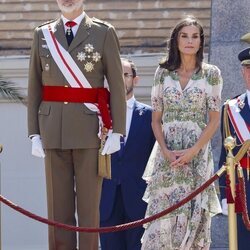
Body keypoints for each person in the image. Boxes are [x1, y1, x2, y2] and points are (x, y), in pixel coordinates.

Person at [27, 0, 126, 249]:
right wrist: (33, 134)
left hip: (89, 131)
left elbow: (116, 85)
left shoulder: (103, 32)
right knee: (57, 211)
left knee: (89, 209)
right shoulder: (43, 34)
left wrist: (118, 130)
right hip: (52, 131)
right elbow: (34, 87)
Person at [141, 16, 223, 249]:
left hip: (197, 155)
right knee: (162, 219)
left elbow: (214, 119)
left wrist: (194, 151)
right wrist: (165, 150)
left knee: (192, 215)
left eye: (194, 36)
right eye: (184, 36)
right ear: (176, 41)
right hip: (166, 155)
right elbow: (156, 120)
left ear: (201, 41)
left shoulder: (211, 74)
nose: (189, 41)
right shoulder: (162, 72)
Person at [99, 58, 155, 250]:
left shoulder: (150, 116)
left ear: (136, 80)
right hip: (106, 199)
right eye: (115, 74)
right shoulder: (97, 114)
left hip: (138, 201)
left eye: (125, 74)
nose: (120, 79)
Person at [219, 47, 250, 250]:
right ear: (242, 72)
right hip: (243, 190)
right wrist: (224, 194)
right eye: (248, 68)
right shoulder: (230, 108)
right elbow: (225, 154)